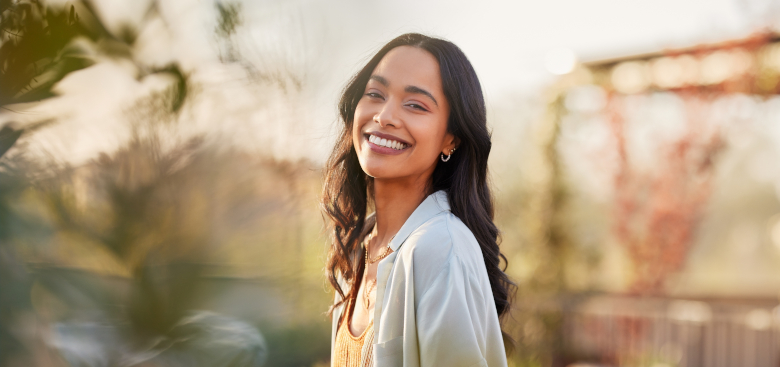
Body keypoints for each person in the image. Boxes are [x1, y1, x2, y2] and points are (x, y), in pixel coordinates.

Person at [322, 33, 514, 367]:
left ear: (450, 138)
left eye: (415, 105)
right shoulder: (361, 248)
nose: (385, 116)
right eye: (375, 94)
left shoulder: (440, 248)